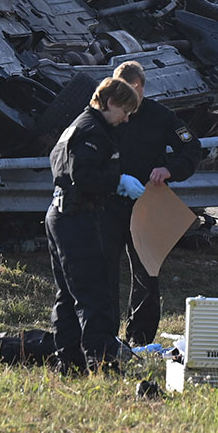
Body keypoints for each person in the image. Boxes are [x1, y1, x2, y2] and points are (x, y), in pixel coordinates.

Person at [47, 76, 143, 373]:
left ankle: (69, 360)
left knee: (68, 294)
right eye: (125, 111)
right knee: (95, 293)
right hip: (76, 216)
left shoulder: (78, 125)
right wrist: (117, 182)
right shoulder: (92, 131)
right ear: (110, 102)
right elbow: (82, 175)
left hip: (61, 213)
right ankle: (101, 361)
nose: (126, 119)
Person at [110, 59, 202, 348]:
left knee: (146, 273)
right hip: (109, 201)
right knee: (104, 271)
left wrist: (169, 170)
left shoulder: (160, 116)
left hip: (146, 201)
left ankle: (140, 336)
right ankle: (106, 333)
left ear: (142, 88)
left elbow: (191, 148)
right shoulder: (105, 113)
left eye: (133, 91)